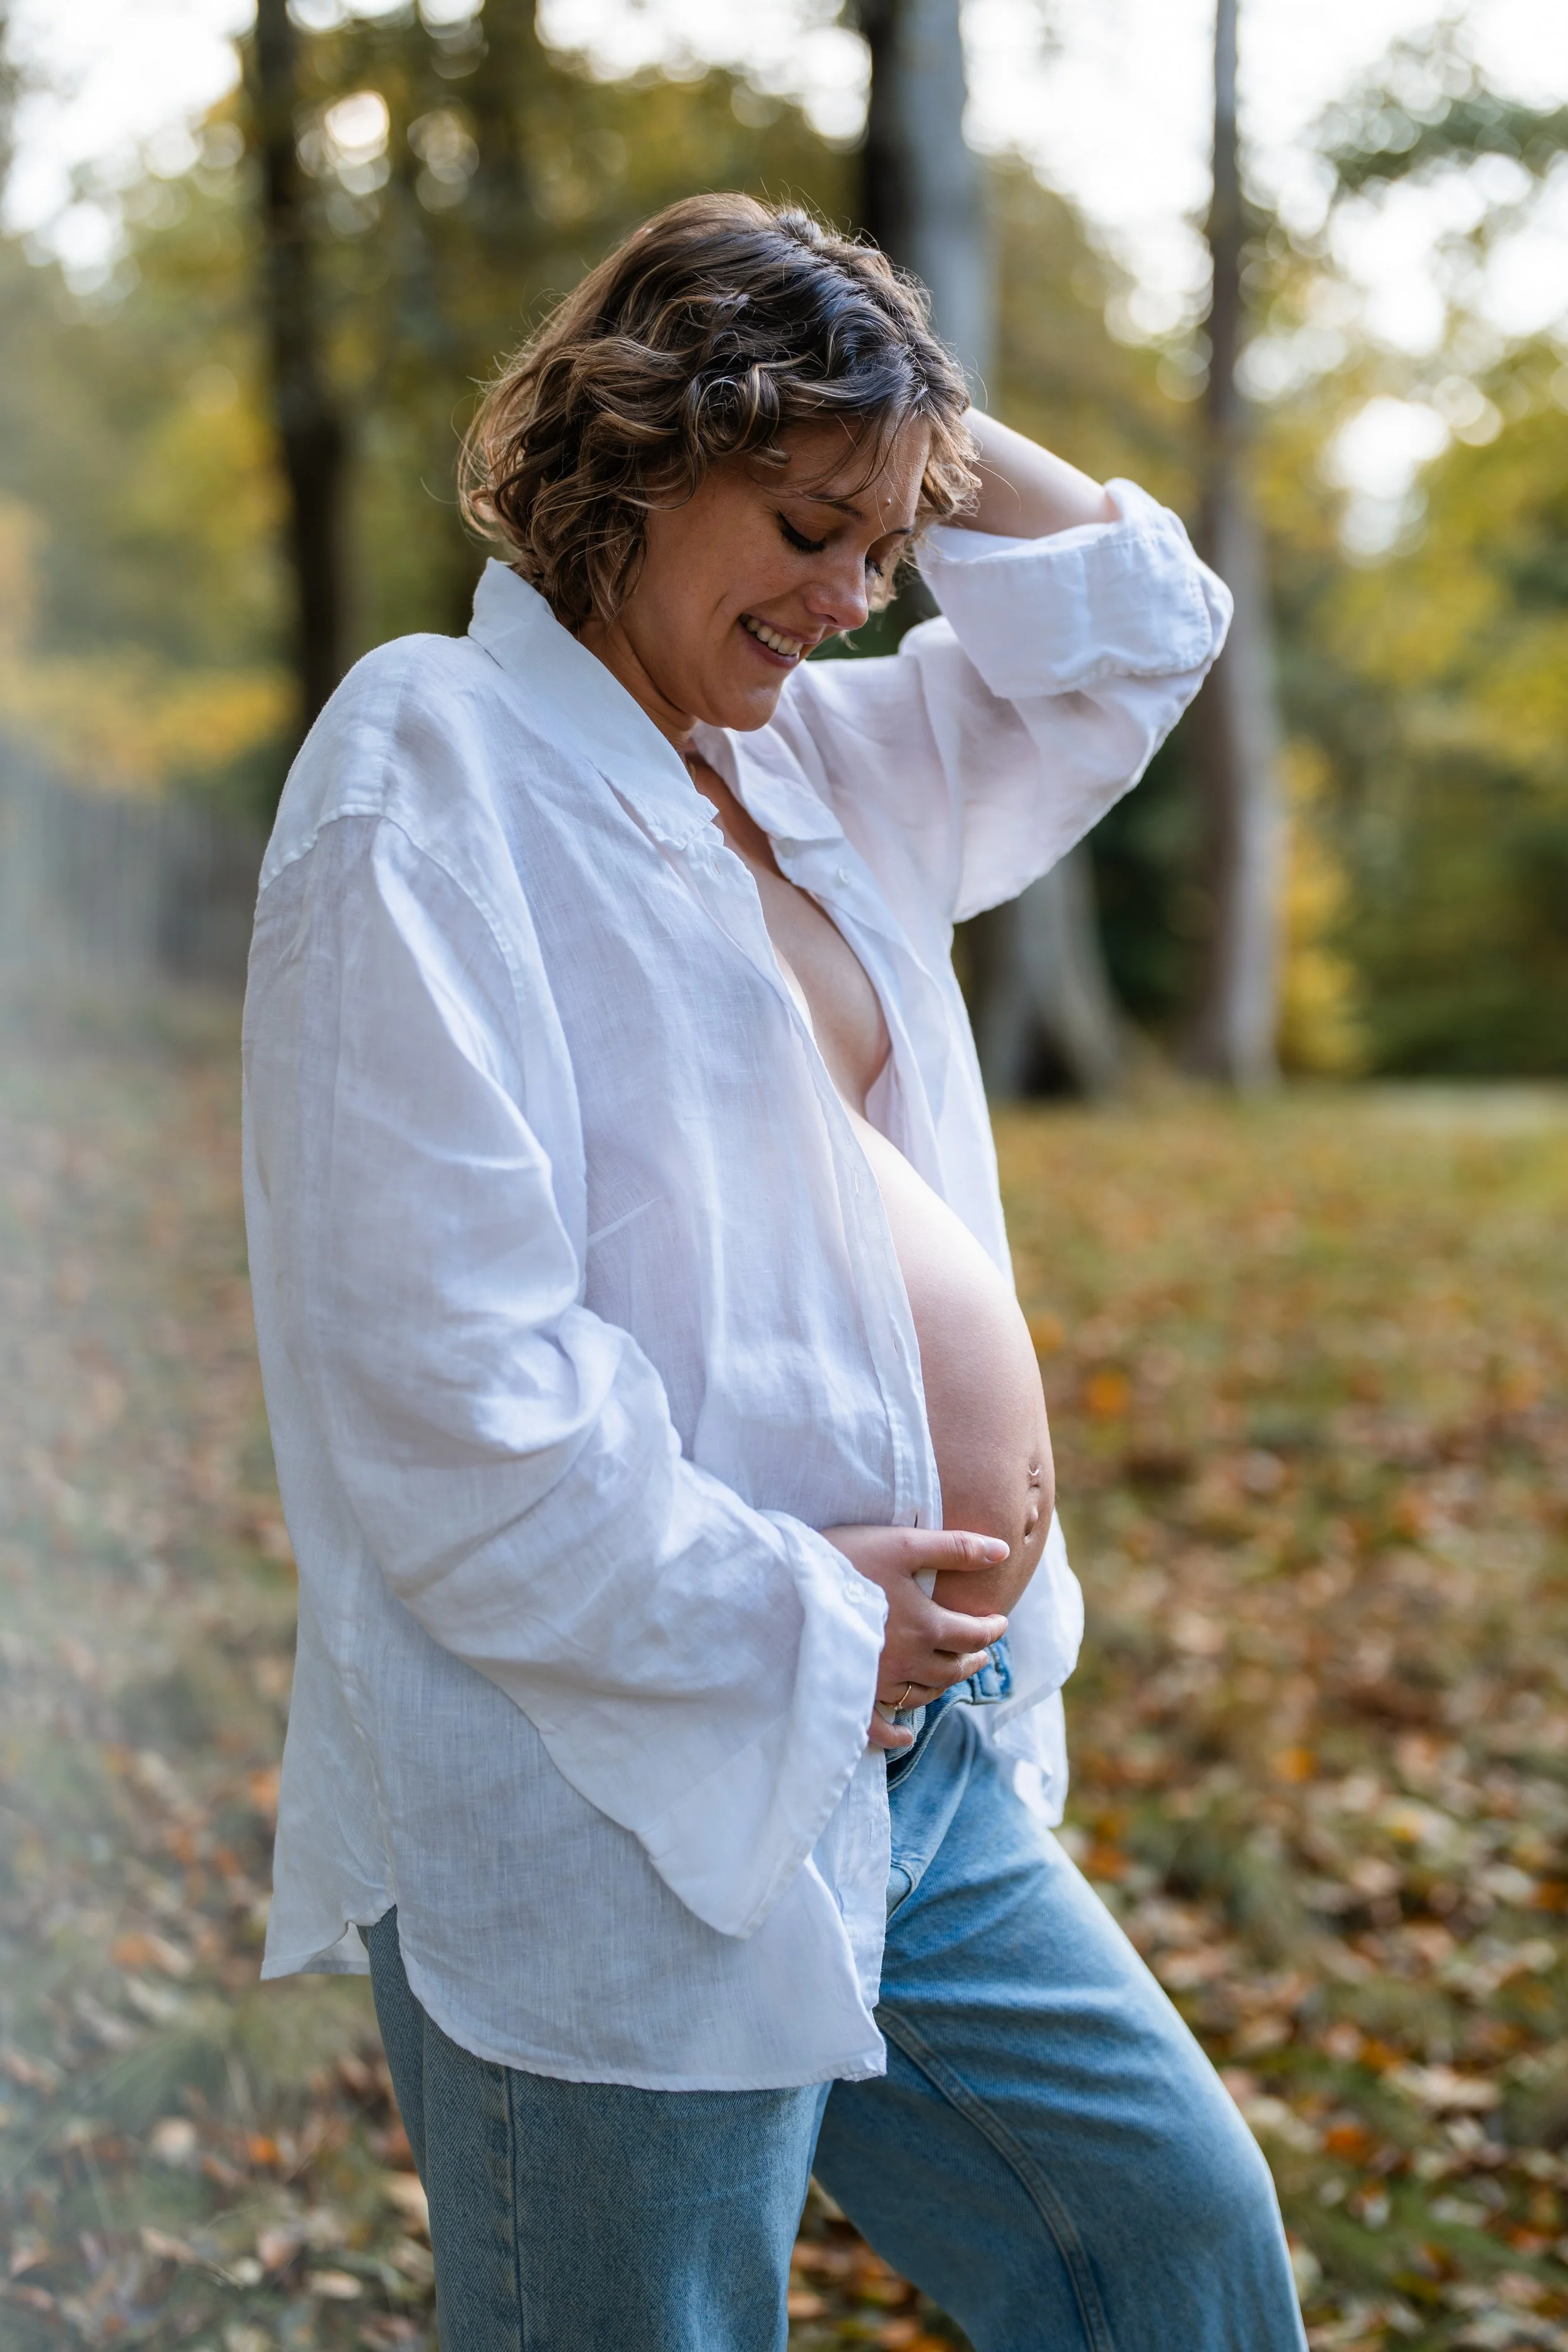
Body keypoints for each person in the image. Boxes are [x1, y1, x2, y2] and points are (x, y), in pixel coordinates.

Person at [242, 193, 1307, 2351]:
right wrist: (803, 1615)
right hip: (621, 1776)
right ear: (635, 453)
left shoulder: (816, 757)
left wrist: (895, 405)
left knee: (1174, 2256)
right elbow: (443, 1389)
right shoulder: (427, 765)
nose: (848, 595)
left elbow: (1137, 628)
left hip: (930, 1771)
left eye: (882, 544)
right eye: (807, 525)